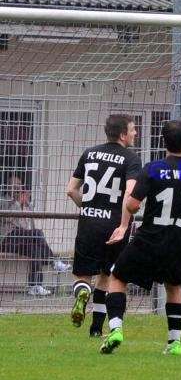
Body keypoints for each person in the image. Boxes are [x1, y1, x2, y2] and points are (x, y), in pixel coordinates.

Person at [100, 120, 181, 355]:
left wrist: (133, 205)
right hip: (179, 241)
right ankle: (174, 343)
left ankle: (115, 328)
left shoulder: (153, 168)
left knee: (117, 277)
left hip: (150, 238)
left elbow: (133, 206)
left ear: (162, 142)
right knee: (174, 287)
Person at [66, 114, 141, 337]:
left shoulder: (89, 154)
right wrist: (124, 226)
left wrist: (88, 207)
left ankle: (82, 293)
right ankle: (96, 328)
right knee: (107, 276)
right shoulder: (131, 158)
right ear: (122, 134)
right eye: (133, 129)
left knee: (83, 275)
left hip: (88, 224)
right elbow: (129, 192)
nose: (135, 133)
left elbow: (71, 190)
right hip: (114, 224)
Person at [0, 177, 70, 296]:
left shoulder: (27, 204)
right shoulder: (3, 201)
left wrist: (27, 205)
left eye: (19, 185)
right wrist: (17, 203)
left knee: (35, 248)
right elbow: (8, 219)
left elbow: (31, 227)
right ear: (8, 187)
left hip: (23, 240)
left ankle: (35, 286)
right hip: (6, 240)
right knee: (37, 234)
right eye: (14, 185)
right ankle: (54, 262)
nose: (17, 187)